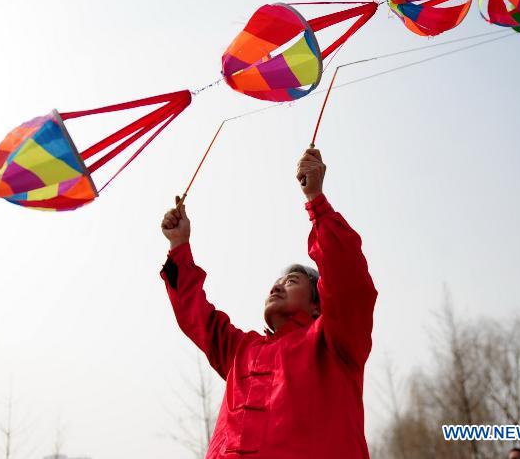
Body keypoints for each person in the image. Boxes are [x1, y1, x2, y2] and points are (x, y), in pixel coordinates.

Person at [160, 148, 377, 458]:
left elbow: (348, 279)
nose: (278, 286)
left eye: (291, 281)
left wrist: (316, 200)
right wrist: (179, 246)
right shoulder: (240, 350)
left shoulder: (334, 342)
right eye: (277, 282)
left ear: (318, 304)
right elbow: (196, 316)